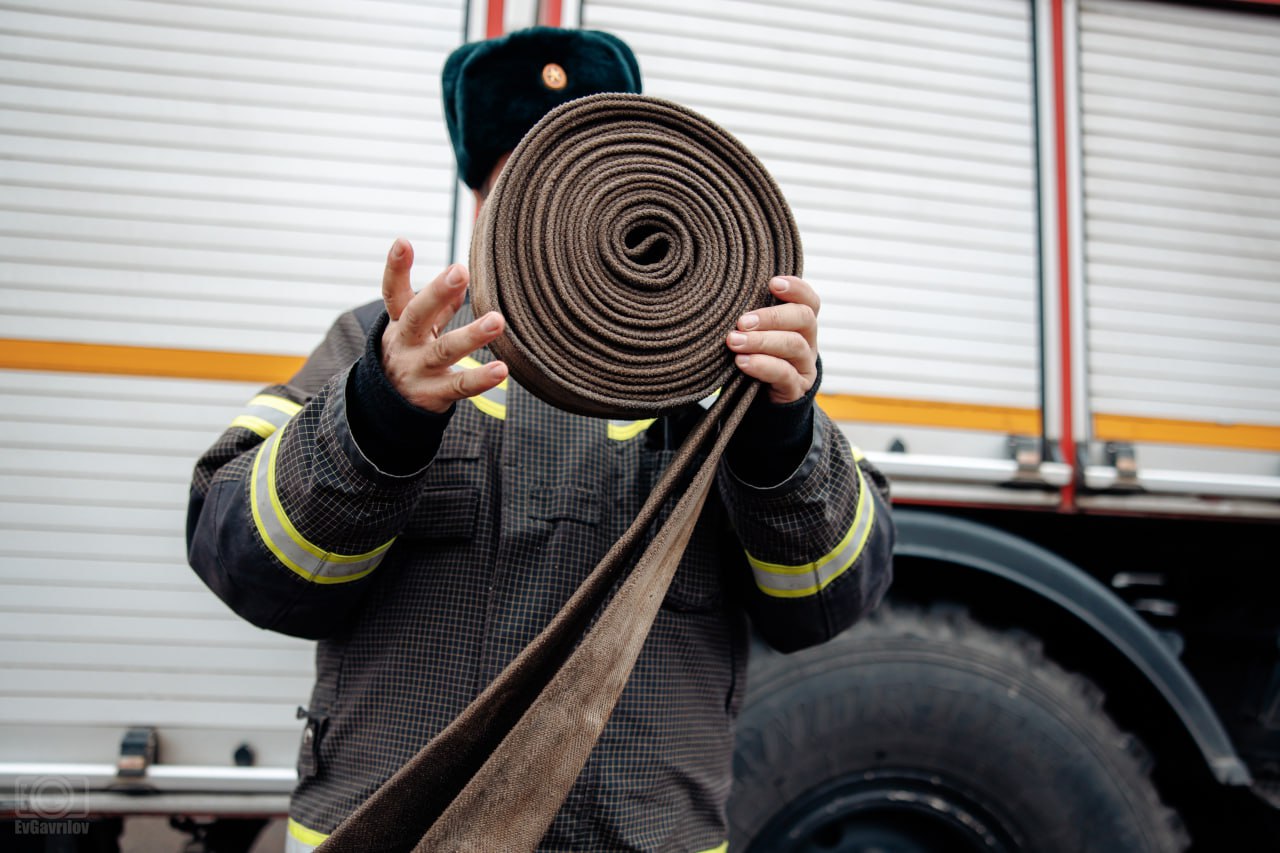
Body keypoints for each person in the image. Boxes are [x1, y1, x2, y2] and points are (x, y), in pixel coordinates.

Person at [187, 26, 893, 853]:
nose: (559, 219)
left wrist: (780, 433)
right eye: (526, 187)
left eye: (587, 180)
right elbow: (237, 552)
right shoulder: (384, 347)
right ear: (481, 208)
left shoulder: (728, 366)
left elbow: (826, 600)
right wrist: (378, 414)